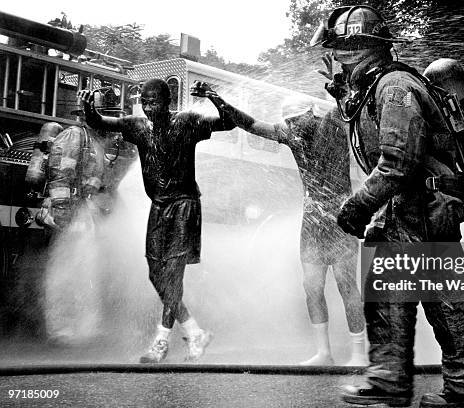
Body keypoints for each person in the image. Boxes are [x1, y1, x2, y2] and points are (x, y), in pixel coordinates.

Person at [310, 6, 464, 407]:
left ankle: (404, 386)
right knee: (429, 302)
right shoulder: (383, 85)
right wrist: (343, 93)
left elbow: (397, 161)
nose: (336, 56)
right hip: (421, 210)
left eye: (340, 48)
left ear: (357, 48)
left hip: (415, 211)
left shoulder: (394, 88)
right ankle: (446, 389)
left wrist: (357, 207)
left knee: (433, 306)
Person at [201, 84, 367, 366]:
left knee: (347, 286)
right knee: (311, 287)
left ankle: (359, 354)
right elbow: (251, 125)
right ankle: (324, 353)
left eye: (296, 120)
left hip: (342, 218)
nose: (293, 126)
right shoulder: (291, 134)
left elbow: (350, 110)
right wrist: (220, 102)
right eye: (289, 122)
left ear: (311, 114)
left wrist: (342, 91)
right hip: (313, 221)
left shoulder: (334, 124)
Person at [79, 78, 235, 363]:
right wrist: (88, 109)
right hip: (159, 206)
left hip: (184, 205)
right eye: (146, 103)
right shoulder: (136, 126)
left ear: (168, 103)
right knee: (155, 272)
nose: (150, 108)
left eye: (156, 102)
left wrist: (213, 96)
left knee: (172, 274)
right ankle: (194, 332)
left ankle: (160, 343)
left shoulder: (187, 122)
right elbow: (99, 122)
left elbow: (228, 121)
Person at [36, 89, 138, 343]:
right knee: (64, 271)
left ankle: (85, 327)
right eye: (100, 115)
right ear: (86, 115)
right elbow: (60, 175)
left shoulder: (93, 140)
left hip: (84, 211)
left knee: (86, 269)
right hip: (71, 211)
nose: (106, 122)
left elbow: (96, 178)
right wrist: (62, 212)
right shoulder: (73, 136)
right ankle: (60, 330)